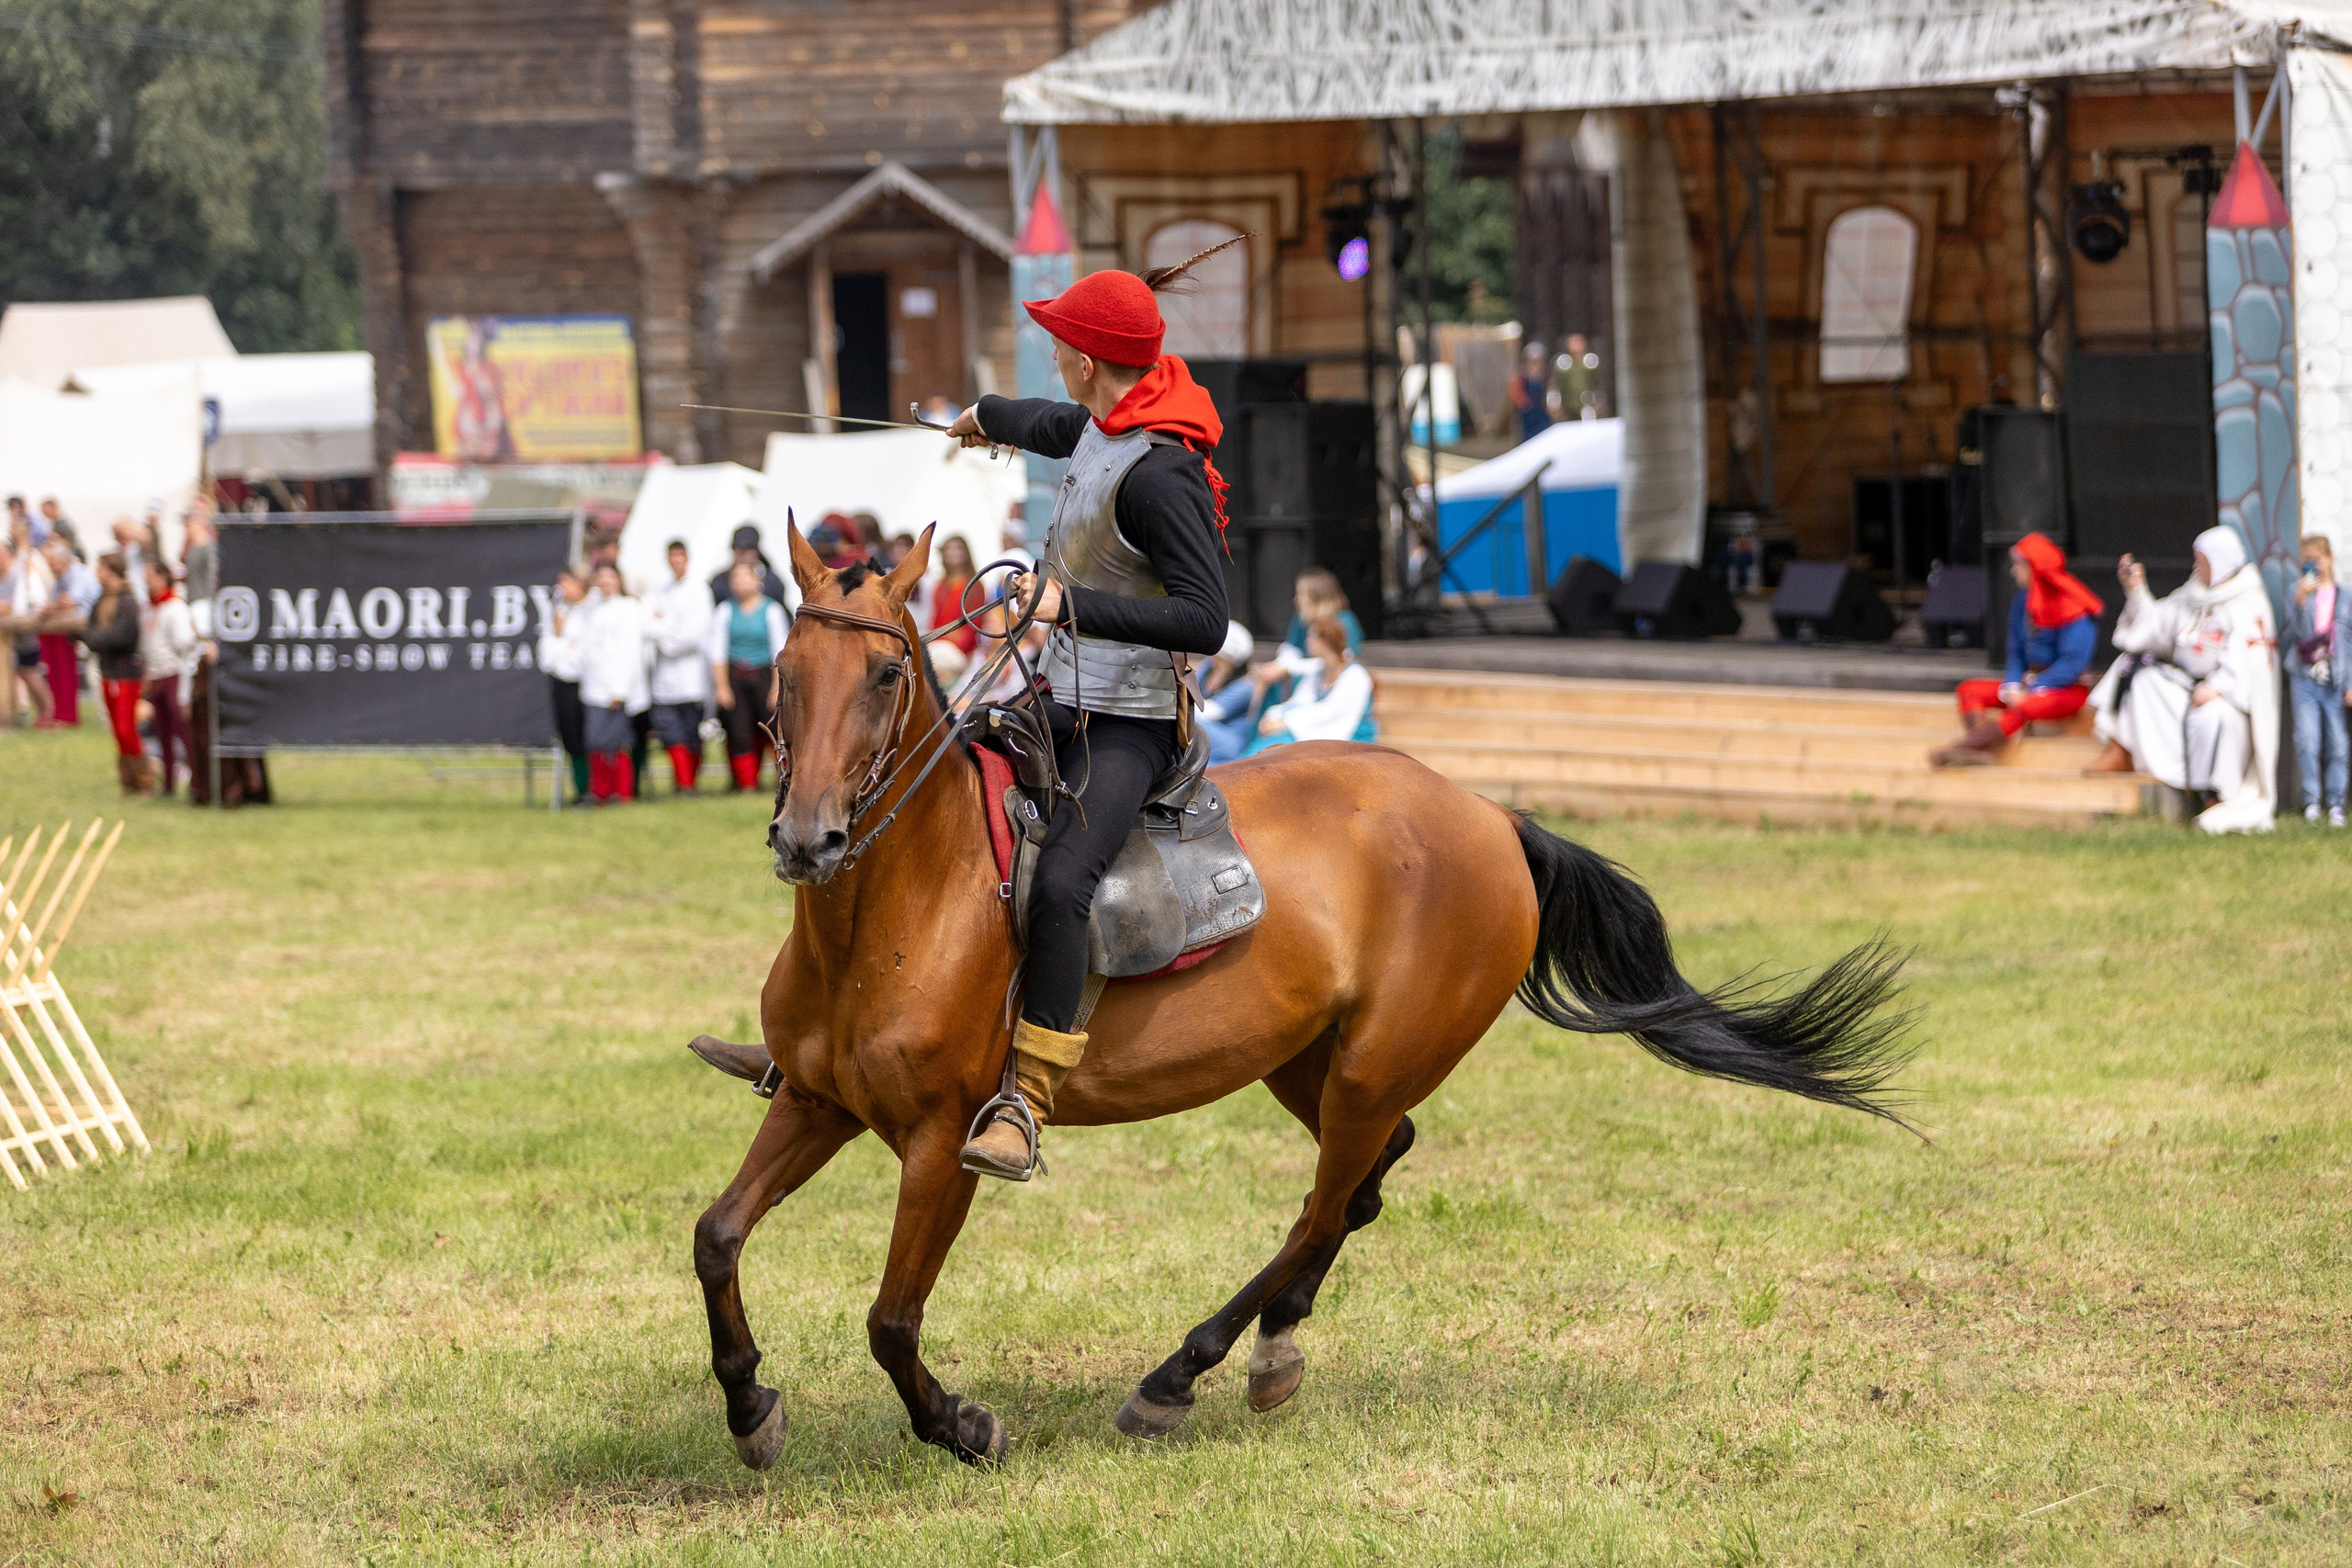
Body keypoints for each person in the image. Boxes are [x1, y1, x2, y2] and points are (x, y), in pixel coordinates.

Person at [944, 255, 1233, 1179]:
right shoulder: (1098, 425)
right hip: (1056, 696)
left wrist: (1067, 604)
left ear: (1084, 361)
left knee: (1063, 880)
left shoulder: (1161, 476)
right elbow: (1043, 422)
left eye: (1059, 347)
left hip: (1129, 723)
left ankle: (1025, 1101)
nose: (1055, 362)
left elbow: (1207, 620)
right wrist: (980, 416)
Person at [2088, 526, 2280, 834]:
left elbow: (2252, 661)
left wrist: (2219, 687)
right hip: (2185, 683)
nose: (2195, 566)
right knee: (2134, 671)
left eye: (2201, 560)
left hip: (2224, 693)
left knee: (2214, 717)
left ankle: (2212, 796)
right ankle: (2120, 748)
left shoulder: (2247, 603)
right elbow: (2156, 626)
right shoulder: (2192, 595)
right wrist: (2137, 591)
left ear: (2220, 562)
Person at [1933, 533, 2102, 766]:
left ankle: (1966, 747)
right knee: (1969, 690)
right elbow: (2015, 651)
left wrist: (2033, 687)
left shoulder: (2075, 607)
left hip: (2064, 690)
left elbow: (2072, 664)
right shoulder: (2022, 602)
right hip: (2026, 683)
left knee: (2027, 705)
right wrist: (2012, 685)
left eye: (2018, 565)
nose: (2013, 571)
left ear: (2034, 568)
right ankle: (1978, 748)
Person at [2285, 532, 2350, 826]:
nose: (2313, 566)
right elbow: (2298, 635)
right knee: (2307, 740)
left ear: (2330, 559)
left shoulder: (2345, 597)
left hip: (2335, 678)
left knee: (2338, 742)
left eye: (2317, 559)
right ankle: (2311, 801)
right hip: (2304, 676)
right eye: (2307, 561)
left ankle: (2336, 803)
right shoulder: (2296, 592)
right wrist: (2301, 602)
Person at [708, 560, 790, 791]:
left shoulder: (772, 610)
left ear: (757, 581)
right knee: (739, 729)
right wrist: (721, 686)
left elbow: (779, 651)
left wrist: (776, 688)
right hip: (736, 676)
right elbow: (717, 651)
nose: (741, 583)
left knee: (773, 728)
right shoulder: (725, 610)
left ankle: (783, 780)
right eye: (736, 578)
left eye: (746, 577)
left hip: (765, 675)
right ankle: (746, 783)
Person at [1246, 615, 1375, 752]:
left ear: (1325, 642)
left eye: (1311, 637)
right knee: (1266, 745)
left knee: (1276, 747)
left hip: (1344, 734)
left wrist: (1286, 723)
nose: (1307, 641)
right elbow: (1301, 700)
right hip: (1312, 728)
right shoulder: (1319, 668)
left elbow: (1332, 712)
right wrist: (1275, 716)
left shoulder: (1355, 675)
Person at [646, 539, 714, 795]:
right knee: (670, 733)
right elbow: (646, 624)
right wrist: (671, 626)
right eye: (671, 556)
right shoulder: (659, 590)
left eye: (680, 556)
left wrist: (663, 628)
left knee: (690, 734)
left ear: (687, 558)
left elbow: (692, 636)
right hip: (664, 678)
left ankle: (689, 783)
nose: (676, 561)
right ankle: (683, 783)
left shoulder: (699, 590)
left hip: (692, 677)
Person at [580, 562, 650, 803]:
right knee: (595, 742)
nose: (606, 582)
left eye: (610, 577)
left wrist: (620, 689)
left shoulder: (628, 608)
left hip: (616, 688)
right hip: (594, 686)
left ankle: (621, 792)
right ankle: (599, 791)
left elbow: (630, 652)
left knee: (617, 743)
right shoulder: (592, 608)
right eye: (601, 577)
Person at [80, 553, 150, 793]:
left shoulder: (128, 601)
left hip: (126, 671)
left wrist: (97, 639)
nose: (97, 572)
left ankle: (144, 778)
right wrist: (94, 638)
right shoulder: (101, 599)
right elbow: (89, 630)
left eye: (101, 568)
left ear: (111, 571)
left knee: (126, 728)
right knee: (117, 730)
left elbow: (125, 636)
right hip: (107, 669)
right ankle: (128, 780)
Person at [139, 559, 197, 795]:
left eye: (150, 576)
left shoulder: (175, 607)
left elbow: (184, 642)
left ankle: (196, 777)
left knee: (181, 726)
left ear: (163, 578)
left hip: (173, 672)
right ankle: (169, 782)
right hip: (156, 673)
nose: (147, 581)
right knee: (162, 729)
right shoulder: (150, 608)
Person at [537, 566, 593, 802]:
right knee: (570, 737)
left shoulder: (593, 610)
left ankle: (596, 789)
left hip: (587, 683)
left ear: (580, 584)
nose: (560, 588)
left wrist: (561, 646)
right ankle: (582, 790)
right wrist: (561, 642)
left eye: (565, 583)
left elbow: (584, 653)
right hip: (562, 682)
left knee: (590, 737)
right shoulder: (560, 610)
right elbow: (546, 652)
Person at [39, 535, 98, 728]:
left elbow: (69, 602)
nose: (51, 567)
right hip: (61, 631)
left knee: (66, 674)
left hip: (77, 632)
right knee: (55, 673)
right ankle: (59, 713)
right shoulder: (61, 579)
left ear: (62, 560)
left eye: (53, 563)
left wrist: (51, 607)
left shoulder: (78, 574)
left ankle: (68, 716)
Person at [1199, 619, 1264, 763]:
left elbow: (1211, 713)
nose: (1214, 659)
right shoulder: (1208, 667)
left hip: (1230, 743)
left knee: (1188, 719)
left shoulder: (1245, 685)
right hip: (1209, 734)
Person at [707, 524, 791, 607]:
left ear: (756, 553)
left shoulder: (773, 584)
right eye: (739, 552)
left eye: (746, 552)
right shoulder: (719, 583)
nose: (742, 557)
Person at [927, 534, 981, 657]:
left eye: (958, 548)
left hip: (961, 651)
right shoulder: (939, 586)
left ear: (966, 552)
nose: (953, 552)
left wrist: (959, 646)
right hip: (937, 644)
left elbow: (974, 624)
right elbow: (935, 620)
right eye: (949, 548)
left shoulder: (975, 586)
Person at [1507, 341, 1554, 443]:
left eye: (1537, 361)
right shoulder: (1521, 376)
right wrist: (1522, 402)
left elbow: (1551, 390)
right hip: (1527, 413)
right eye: (1532, 361)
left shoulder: (1545, 376)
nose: (1534, 364)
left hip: (1542, 412)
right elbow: (1514, 392)